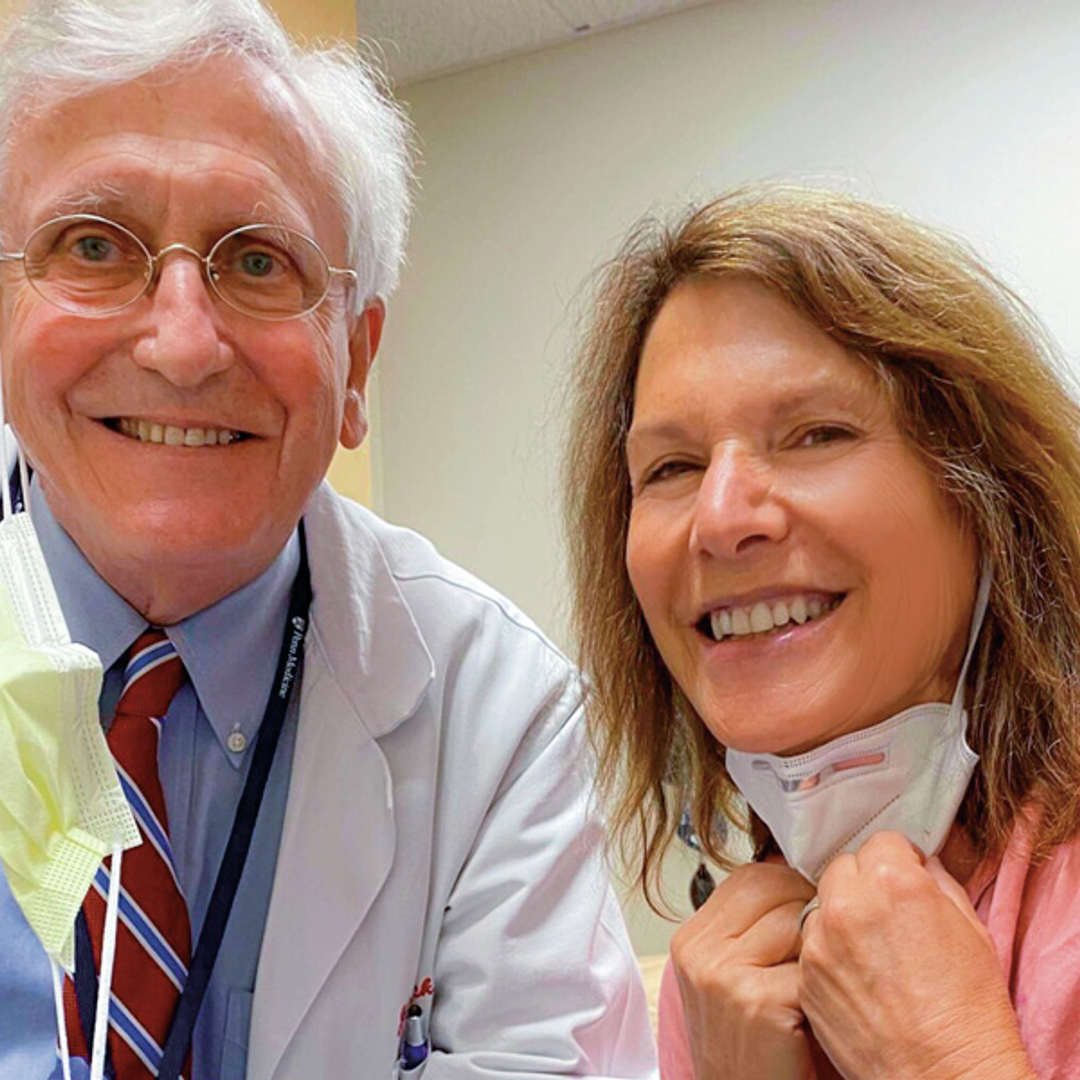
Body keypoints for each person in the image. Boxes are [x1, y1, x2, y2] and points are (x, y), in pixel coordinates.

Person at [0, 2, 657, 1079]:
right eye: (92, 245)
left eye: (258, 262)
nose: (181, 343)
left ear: (357, 358)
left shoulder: (497, 712)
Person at [564, 186, 1080, 1079]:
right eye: (673, 467)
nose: (721, 519)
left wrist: (946, 1062)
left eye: (815, 434)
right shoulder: (724, 988)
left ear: (989, 500)